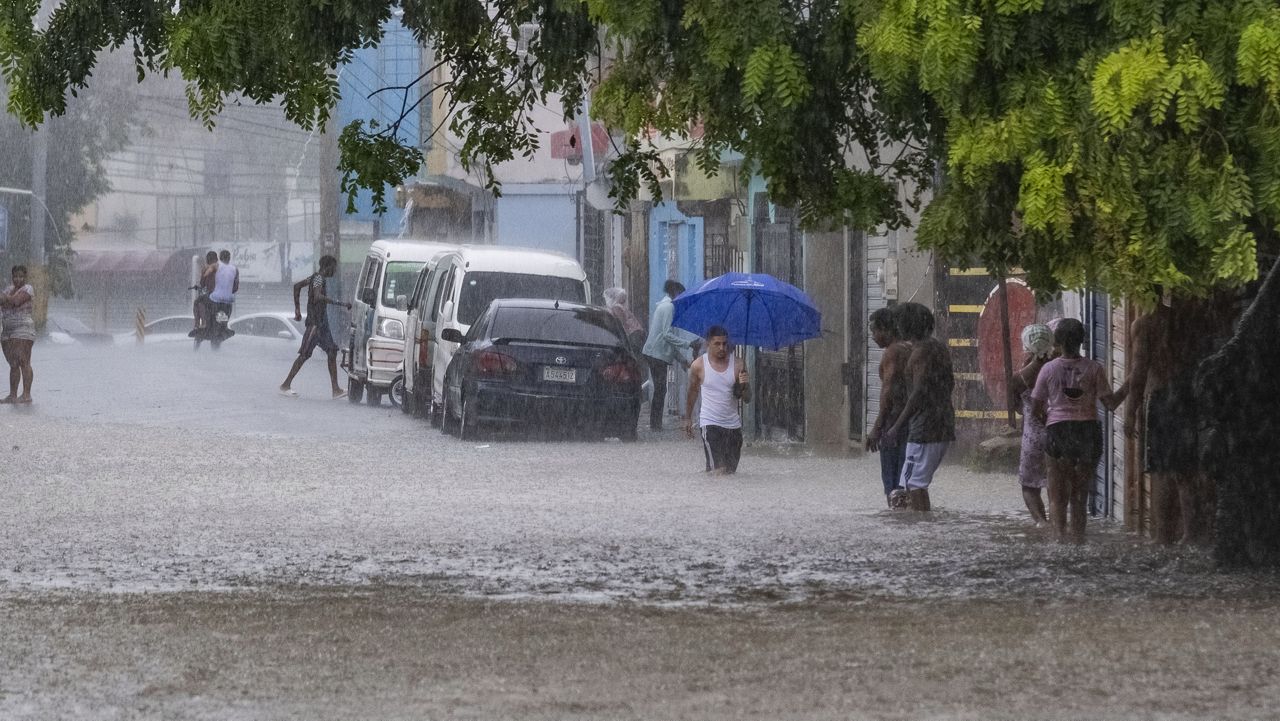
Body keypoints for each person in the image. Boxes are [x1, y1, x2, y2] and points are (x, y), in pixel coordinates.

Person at [1124, 293, 1230, 545]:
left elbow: (1139, 372)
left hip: (1162, 399)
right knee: (1186, 469)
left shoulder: (1144, 325)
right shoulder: (1184, 322)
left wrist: (1130, 412)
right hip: (1188, 397)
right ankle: (1192, 534)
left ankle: (1163, 537)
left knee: (1160, 470)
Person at [1031, 318, 1126, 543]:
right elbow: (1111, 403)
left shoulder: (1048, 369)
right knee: (1079, 495)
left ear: (1057, 342)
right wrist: (1130, 383)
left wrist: (1050, 419)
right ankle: (1078, 543)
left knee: (1057, 497)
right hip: (1087, 432)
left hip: (1058, 431)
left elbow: (1035, 407)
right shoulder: (1094, 369)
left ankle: (1059, 540)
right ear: (1082, 340)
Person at [884, 302, 955, 511]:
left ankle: (922, 531)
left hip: (924, 429)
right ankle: (924, 528)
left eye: (897, 322)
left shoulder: (921, 353)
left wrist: (896, 426)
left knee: (913, 484)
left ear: (906, 325)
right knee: (915, 483)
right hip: (941, 424)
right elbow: (949, 384)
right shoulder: (938, 347)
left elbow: (917, 393)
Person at [280, 255, 351, 398]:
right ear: (328, 266)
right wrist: (340, 303)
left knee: (332, 352)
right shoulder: (318, 278)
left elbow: (297, 286)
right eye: (334, 267)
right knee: (304, 355)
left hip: (322, 325)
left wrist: (297, 309)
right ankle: (285, 385)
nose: (335, 271)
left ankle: (335, 389)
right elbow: (318, 296)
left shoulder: (314, 278)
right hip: (315, 325)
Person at [685, 325, 749, 474]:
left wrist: (744, 384)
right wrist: (687, 418)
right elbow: (692, 392)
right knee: (719, 472)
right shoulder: (698, 365)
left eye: (725, 344)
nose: (722, 348)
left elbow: (747, 398)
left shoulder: (739, 365)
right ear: (708, 344)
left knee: (729, 474)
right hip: (710, 424)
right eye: (717, 344)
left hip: (733, 427)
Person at [1010, 322, 1055, 525]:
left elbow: (1015, 407)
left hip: (1033, 436)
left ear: (1026, 346)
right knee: (1056, 483)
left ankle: (1041, 523)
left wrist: (1029, 410)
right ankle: (1059, 524)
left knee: (1029, 486)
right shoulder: (1059, 368)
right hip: (1059, 432)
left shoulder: (1019, 377)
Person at [866, 306, 912, 505]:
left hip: (894, 426)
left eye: (874, 331)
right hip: (911, 423)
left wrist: (877, 428)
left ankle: (896, 525)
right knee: (906, 483)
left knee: (893, 488)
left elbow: (889, 392)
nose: (873, 336)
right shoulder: (910, 348)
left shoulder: (892, 353)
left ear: (886, 329)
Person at [642, 280, 692, 431]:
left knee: (659, 389)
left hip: (655, 353)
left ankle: (655, 424)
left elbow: (667, 341)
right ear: (675, 292)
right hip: (656, 354)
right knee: (660, 389)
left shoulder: (664, 306)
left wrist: (683, 360)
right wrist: (688, 344)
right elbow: (667, 335)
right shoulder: (669, 307)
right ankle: (655, 425)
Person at [0, 265, 36, 404]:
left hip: (23, 328)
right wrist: (6, 299)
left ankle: (26, 395)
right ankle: (12, 394)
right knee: (13, 364)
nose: (18, 279)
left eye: (21, 276)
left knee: (24, 361)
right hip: (8, 329)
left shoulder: (27, 289)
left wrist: (5, 299)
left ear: (25, 277)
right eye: (15, 276)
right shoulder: (8, 289)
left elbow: (16, 301)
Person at [190, 251, 219, 342]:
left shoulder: (214, 268)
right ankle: (200, 323)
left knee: (198, 302)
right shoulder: (213, 269)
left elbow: (203, 284)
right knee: (200, 301)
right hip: (214, 294)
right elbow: (202, 284)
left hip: (213, 295)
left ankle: (200, 323)